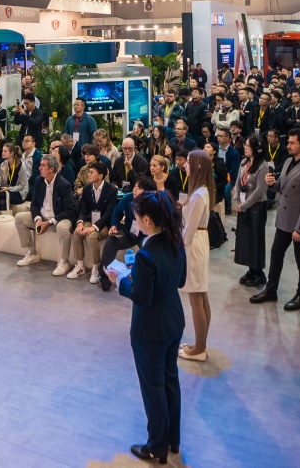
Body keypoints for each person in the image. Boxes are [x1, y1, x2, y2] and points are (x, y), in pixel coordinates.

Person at [107, 190, 187, 465]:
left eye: (137, 217)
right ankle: (172, 440)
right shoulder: (176, 242)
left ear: (148, 220)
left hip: (150, 330)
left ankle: (156, 447)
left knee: (153, 388)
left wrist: (120, 280)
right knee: (170, 381)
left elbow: (142, 297)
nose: (135, 221)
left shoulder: (145, 255)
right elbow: (180, 280)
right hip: (174, 321)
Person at [251, 128, 300, 310]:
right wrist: (272, 184)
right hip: (284, 220)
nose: (288, 145)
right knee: (276, 255)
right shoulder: (289, 161)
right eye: (288, 142)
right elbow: (282, 187)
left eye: (292, 143)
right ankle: (271, 290)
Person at [178, 150, 214, 361]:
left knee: (196, 297)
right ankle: (200, 344)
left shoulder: (199, 194)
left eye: (188, 162)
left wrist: (176, 243)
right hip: (199, 242)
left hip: (194, 245)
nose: (185, 165)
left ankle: (199, 349)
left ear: (198, 166)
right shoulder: (202, 191)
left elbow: (188, 232)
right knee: (200, 294)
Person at [15, 153, 76, 272]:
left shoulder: (64, 184)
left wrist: (49, 222)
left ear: (51, 169)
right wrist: (38, 219)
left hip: (58, 219)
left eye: (43, 165)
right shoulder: (39, 180)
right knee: (19, 217)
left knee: (63, 227)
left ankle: (64, 261)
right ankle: (32, 253)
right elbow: (34, 204)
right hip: (42, 217)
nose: (39, 168)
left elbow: (70, 210)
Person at [69, 160, 118, 283]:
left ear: (100, 176)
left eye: (91, 172)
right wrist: (80, 222)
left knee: (91, 236)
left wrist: (94, 227)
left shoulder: (111, 190)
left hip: (104, 224)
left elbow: (108, 214)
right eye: (89, 172)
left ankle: (96, 268)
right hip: (90, 220)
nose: (88, 174)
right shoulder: (87, 189)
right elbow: (83, 210)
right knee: (76, 233)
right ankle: (80, 266)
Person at [231, 135, 270, 288]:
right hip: (243, 206)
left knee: (255, 240)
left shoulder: (263, 166)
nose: (245, 148)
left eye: (248, 146)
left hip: (256, 207)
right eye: (245, 145)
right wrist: (236, 200)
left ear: (257, 148)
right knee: (245, 239)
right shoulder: (244, 162)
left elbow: (260, 190)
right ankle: (251, 269)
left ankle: (258, 272)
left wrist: (245, 205)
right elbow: (238, 182)